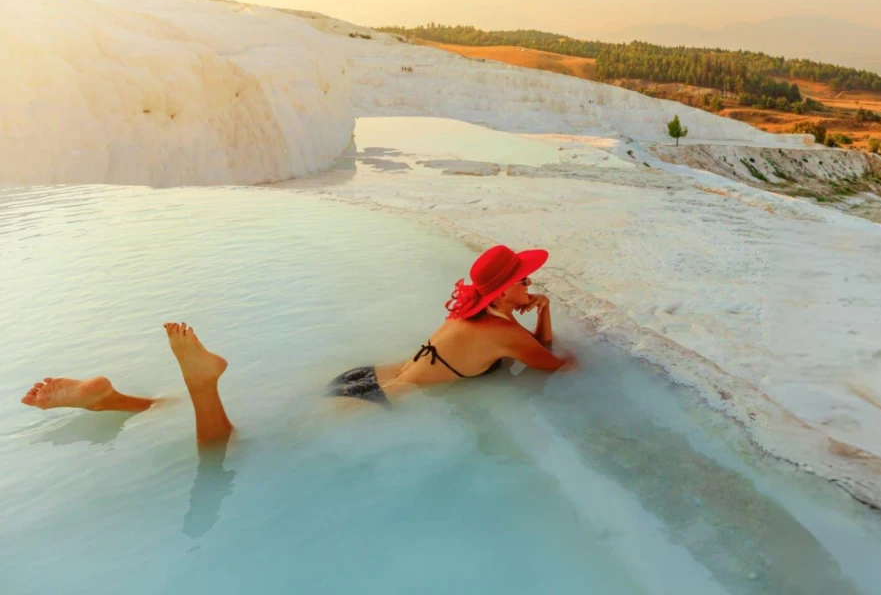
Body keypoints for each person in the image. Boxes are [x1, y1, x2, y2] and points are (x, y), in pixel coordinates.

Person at [19, 245, 574, 445]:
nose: (531, 286)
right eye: (525, 282)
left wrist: (534, 312)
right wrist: (545, 315)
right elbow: (557, 365)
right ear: (505, 292)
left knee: (265, 416)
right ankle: (203, 386)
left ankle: (120, 401)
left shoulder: (466, 314)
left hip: (363, 376)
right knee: (241, 450)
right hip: (378, 401)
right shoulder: (505, 333)